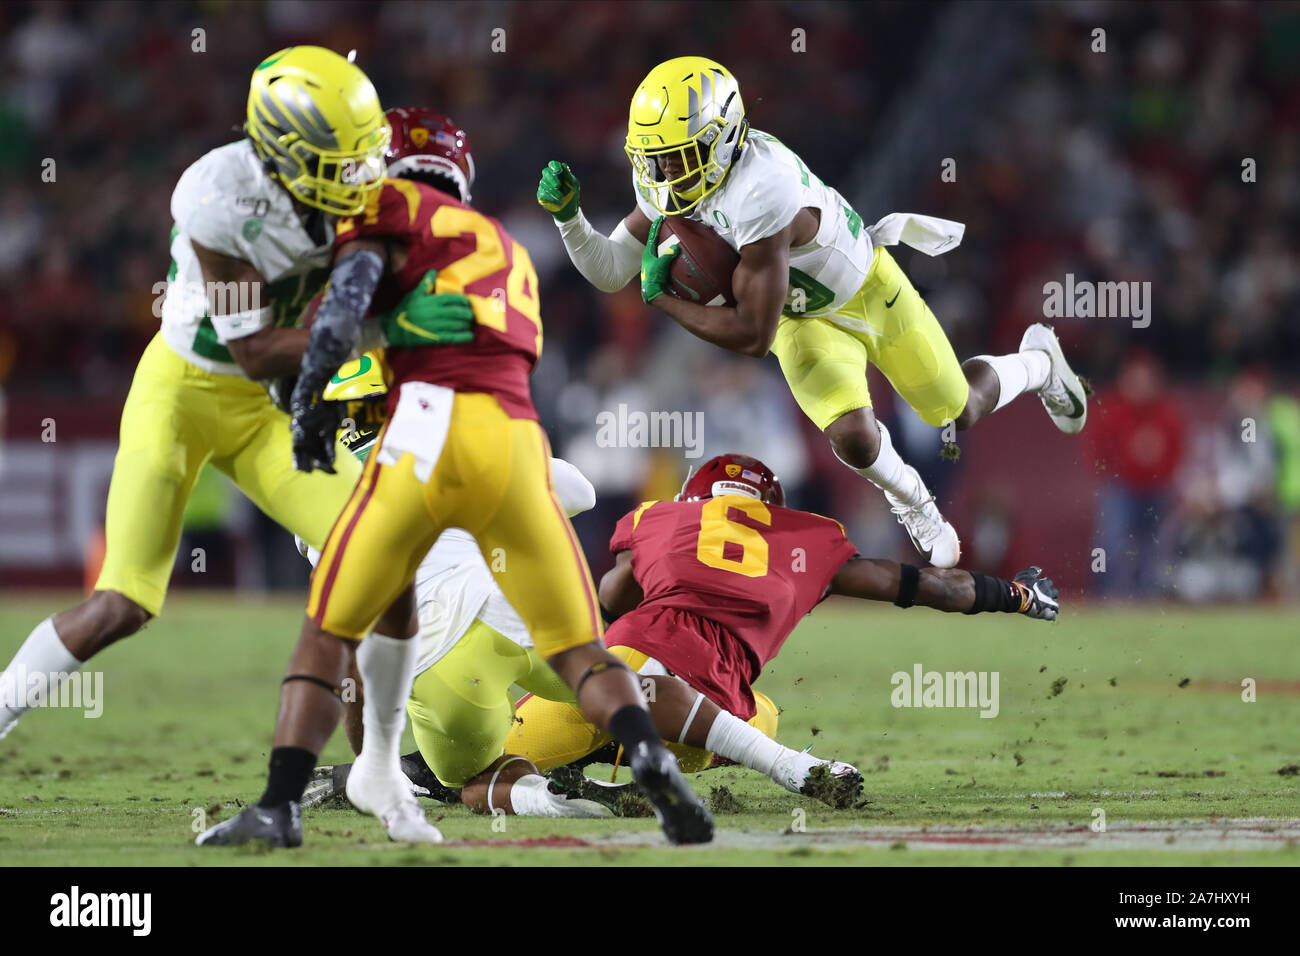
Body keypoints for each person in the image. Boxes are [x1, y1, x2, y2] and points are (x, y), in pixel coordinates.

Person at [199, 106, 715, 848]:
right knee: (582, 654)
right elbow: (565, 464)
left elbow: (345, 313)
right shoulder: (503, 246)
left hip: (423, 446)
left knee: (331, 633)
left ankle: (284, 802)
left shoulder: (377, 218)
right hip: (509, 437)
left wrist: (313, 395)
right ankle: (646, 754)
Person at [538, 56, 1089, 569]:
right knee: (853, 437)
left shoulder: (762, 188)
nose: (665, 173)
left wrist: (666, 301)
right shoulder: (670, 180)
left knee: (957, 410)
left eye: (679, 157)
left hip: (863, 291)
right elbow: (611, 270)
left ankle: (1038, 363)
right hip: (796, 319)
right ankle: (915, 501)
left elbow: (751, 336)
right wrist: (570, 220)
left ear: (724, 138)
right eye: (655, 157)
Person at [0, 46, 396, 740]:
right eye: (344, 159)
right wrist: (386, 337)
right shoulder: (218, 198)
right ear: (285, 152)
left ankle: (368, 772)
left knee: (367, 568)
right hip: (184, 394)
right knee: (122, 601)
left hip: (267, 406)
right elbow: (254, 348)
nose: (363, 174)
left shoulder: (350, 194)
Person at [502, 453, 1060, 807]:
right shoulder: (807, 538)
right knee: (762, 713)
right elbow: (932, 586)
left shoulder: (660, 516)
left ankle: (589, 766)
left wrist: (667, 571)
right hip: (717, 705)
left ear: (694, 498)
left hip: (630, 667)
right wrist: (1014, 595)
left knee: (474, 769)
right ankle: (617, 771)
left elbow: (611, 594)